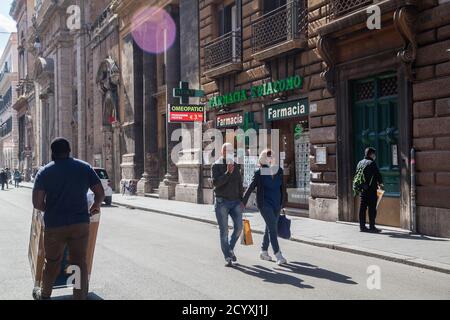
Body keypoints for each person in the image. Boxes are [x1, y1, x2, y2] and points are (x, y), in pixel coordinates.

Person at [32, 137, 105, 300]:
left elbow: (37, 203)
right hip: (80, 223)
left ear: (53, 153)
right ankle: (79, 296)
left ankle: (44, 294)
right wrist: (94, 207)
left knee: (51, 261)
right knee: (79, 261)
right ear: (69, 151)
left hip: (54, 225)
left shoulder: (44, 172)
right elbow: (100, 193)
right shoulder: (84, 167)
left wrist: (50, 209)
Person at [243, 149, 287, 265]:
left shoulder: (279, 171)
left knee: (269, 227)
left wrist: (283, 203)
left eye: (272, 156)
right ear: (264, 159)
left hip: (277, 204)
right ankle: (278, 254)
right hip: (265, 204)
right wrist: (242, 202)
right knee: (273, 228)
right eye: (269, 157)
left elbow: (283, 188)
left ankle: (263, 251)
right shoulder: (259, 173)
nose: (272, 158)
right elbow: (251, 187)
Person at [211, 143, 244, 267]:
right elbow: (216, 184)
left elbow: (239, 183)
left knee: (239, 228)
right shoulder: (216, 165)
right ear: (222, 152)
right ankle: (228, 256)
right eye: (226, 150)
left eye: (231, 150)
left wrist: (242, 200)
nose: (229, 152)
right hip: (222, 202)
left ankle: (229, 248)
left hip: (235, 202)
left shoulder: (235, 165)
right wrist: (227, 173)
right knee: (224, 231)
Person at [356, 147, 384, 233]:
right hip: (371, 189)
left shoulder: (360, 163)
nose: (374, 156)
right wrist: (381, 183)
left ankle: (362, 226)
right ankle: (372, 227)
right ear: (371, 154)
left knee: (362, 208)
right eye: (374, 154)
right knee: (372, 208)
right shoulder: (371, 163)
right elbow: (377, 174)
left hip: (363, 189)